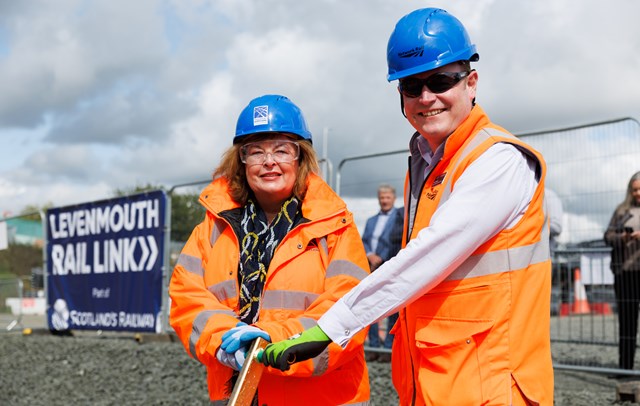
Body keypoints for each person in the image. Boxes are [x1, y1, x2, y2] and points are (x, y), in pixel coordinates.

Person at [259, 8, 554, 405]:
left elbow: (427, 257)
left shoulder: (497, 160)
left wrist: (331, 326)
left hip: (493, 385)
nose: (426, 97)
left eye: (440, 80)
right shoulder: (426, 163)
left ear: (471, 83)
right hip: (438, 381)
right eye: (412, 86)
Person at [169, 94, 371, 405]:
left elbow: (349, 310)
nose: (269, 161)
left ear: (300, 158)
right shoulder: (212, 229)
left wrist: (269, 341)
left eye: (282, 150)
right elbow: (186, 299)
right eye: (256, 151)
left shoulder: (335, 227)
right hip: (241, 395)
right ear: (242, 160)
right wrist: (224, 338)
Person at [361, 184, 403, 362]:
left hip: (391, 265)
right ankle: (373, 347)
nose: (384, 201)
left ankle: (388, 349)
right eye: (382, 198)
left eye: (387, 198)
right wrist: (370, 255)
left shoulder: (399, 217)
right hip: (371, 267)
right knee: (369, 306)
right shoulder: (371, 220)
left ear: (393, 199)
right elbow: (364, 240)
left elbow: (396, 240)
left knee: (391, 307)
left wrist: (382, 258)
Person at [604, 171, 640, 371]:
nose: (638, 193)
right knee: (627, 322)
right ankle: (625, 367)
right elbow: (608, 236)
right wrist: (622, 239)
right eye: (634, 189)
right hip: (625, 274)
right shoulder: (621, 211)